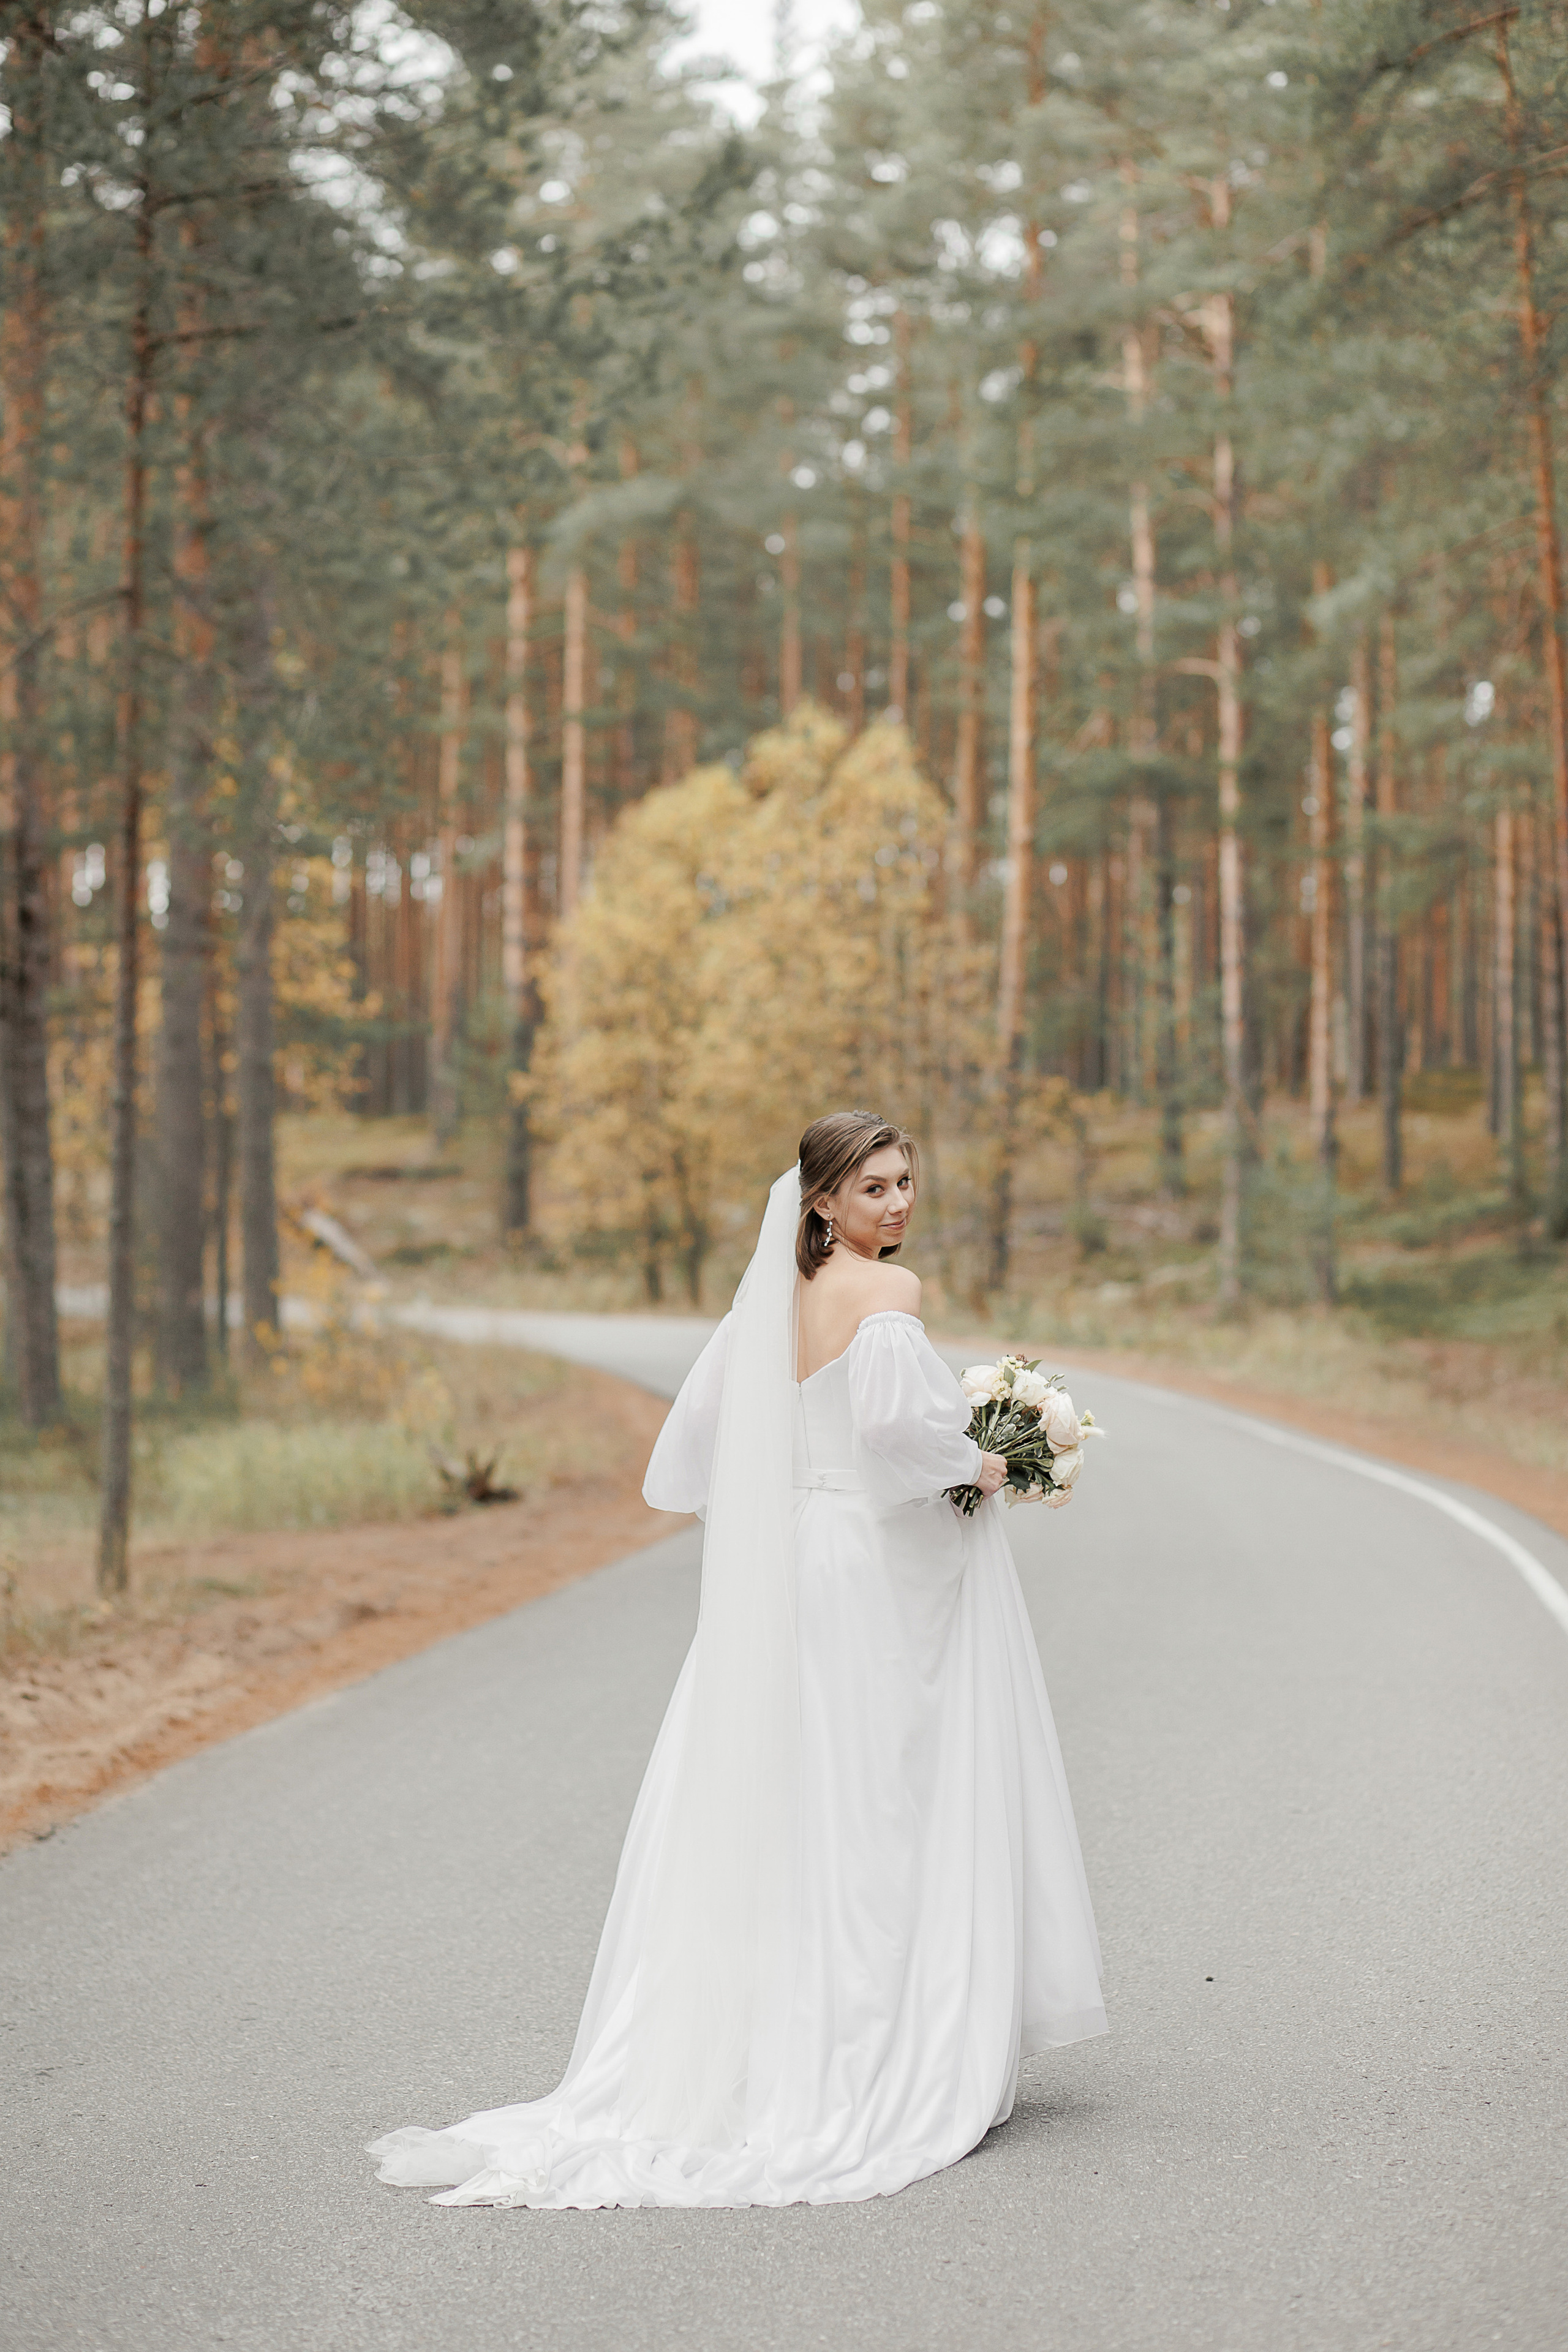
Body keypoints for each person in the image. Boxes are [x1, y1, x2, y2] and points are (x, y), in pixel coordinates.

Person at [368, 1110, 1106, 2209]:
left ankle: (758, 2035)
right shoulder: (887, 1299)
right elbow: (908, 1451)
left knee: (781, 1791)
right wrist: (992, 1464)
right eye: (872, 1190)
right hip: (871, 1569)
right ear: (820, 1202)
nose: (897, 1205)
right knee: (877, 1794)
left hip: (791, 1568)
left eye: (905, 1183)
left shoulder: (764, 1306)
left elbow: (698, 1450)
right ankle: (877, 2036)